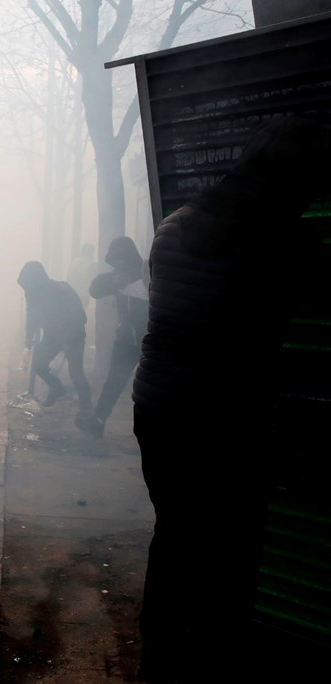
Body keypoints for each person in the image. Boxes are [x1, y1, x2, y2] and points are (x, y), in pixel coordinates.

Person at [132, 116, 331, 682]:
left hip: (157, 408)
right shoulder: (283, 241)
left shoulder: (176, 224)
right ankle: (214, 656)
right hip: (225, 417)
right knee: (234, 546)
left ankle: (158, 656)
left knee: (174, 532)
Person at [74, 237, 148, 438]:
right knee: (114, 381)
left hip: (149, 341)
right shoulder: (118, 277)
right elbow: (95, 290)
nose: (118, 265)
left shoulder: (147, 275)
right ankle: (98, 420)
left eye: (120, 261)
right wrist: (114, 279)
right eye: (114, 262)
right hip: (125, 340)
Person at [16, 260, 93, 415]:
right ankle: (56, 387)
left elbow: (78, 317)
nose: (27, 289)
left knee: (76, 372)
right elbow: (31, 316)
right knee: (38, 363)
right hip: (52, 335)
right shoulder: (33, 293)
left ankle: (87, 408)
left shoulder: (61, 290)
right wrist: (28, 339)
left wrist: (68, 340)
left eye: (28, 285)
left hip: (73, 334)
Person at [67, 242, 97, 310]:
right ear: (91, 252)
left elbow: (68, 277)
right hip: (84, 294)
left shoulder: (74, 262)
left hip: (71, 291)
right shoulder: (92, 264)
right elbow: (92, 281)